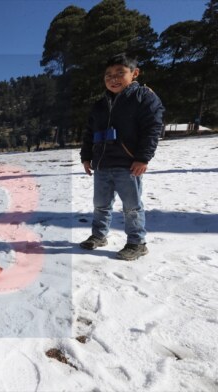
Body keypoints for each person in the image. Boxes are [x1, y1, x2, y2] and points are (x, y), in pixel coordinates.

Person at [79, 53, 164, 261]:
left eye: (120, 73)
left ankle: (137, 242)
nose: (113, 78)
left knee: (132, 207)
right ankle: (99, 235)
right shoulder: (100, 104)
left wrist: (143, 158)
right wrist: (86, 156)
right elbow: (89, 132)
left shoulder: (143, 97)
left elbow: (152, 128)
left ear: (135, 73)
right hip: (102, 163)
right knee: (100, 204)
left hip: (128, 164)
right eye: (108, 75)